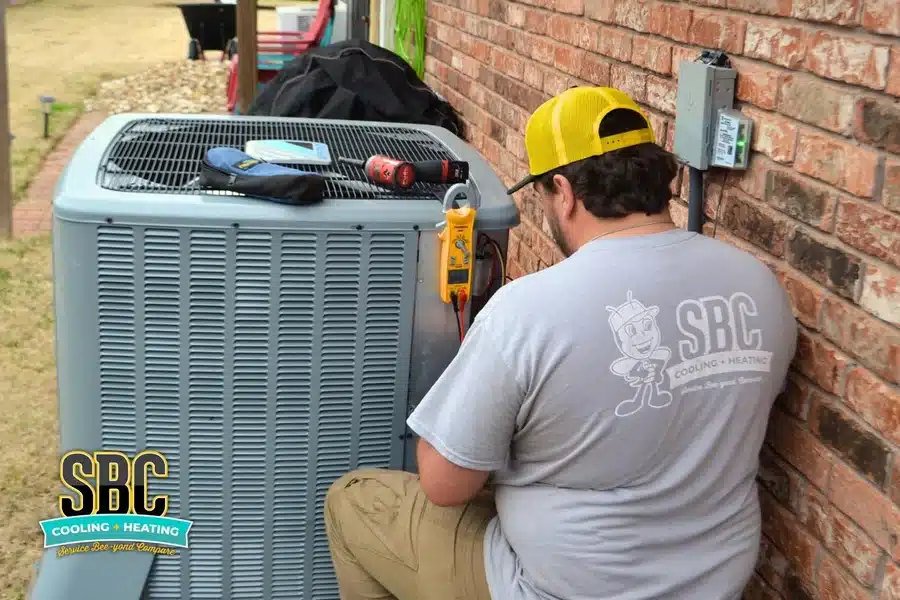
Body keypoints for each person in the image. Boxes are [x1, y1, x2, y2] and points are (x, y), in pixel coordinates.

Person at [323, 86, 798, 600]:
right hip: (711, 582)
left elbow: (444, 485)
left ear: (564, 192)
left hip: (559, 589)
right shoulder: (759, 287)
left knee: (353, 500)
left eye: (544, 196)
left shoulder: (529, 311)